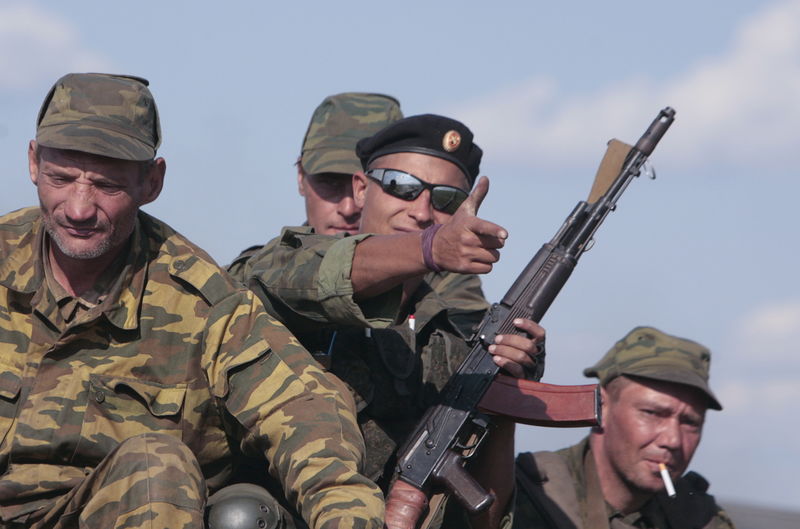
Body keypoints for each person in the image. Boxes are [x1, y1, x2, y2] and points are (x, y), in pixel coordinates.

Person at [0, 72, 384, 529]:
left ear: (152, 183)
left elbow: (305, 408)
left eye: (107, 186)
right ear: (32, 163)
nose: (79, 207)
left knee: (155, 465)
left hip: (109, 513)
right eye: (60, 178)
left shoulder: (202, 301)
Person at [238, 114, 546, 529]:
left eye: (446, 199)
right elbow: (297, 278)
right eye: (401, 186)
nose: (420, 211)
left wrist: (506, 396)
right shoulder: (285, 268)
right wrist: (430, 247)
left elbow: (484, 520)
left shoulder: (452, 344)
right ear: (362, 189)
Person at [227, 94, 489, 337]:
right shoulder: (272, 268)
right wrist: (428, 249)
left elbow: (470, 335)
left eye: (445, 198)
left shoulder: (445, 284)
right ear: (301, 178)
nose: (350, 207)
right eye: (330, 183)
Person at [513, 326, 736, 529]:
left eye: (690, 422)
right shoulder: (530, 494)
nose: (672, 440)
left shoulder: (699, 519)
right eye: (652, 413)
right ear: (602, 405)